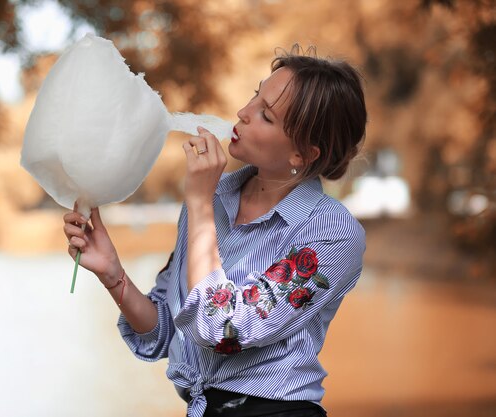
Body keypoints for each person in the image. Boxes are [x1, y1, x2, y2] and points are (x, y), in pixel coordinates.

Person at [63, 48, 367, 417]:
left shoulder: (332, 231)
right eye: (256, 95)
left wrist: (199, 203)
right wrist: (114, 275)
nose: (243, 112)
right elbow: (166, 331)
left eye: (266, 115)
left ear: (301, 155)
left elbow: (224, 329)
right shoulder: (216, 195)